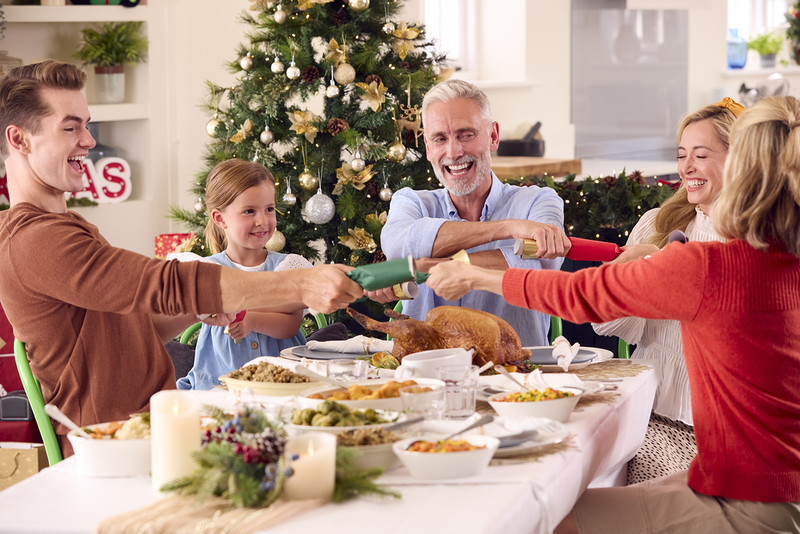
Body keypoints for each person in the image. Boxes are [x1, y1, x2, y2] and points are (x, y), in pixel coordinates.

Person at [426, 95, 800, 533]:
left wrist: (473, 277)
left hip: (746, 503)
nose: (688, 169)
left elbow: (581, 295)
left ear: (740, 174)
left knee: (542, 521)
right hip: (758, 485)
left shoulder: (711, 267)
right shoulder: (781, 258)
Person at [0, 60, 362, 455]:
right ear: (19, 140)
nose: (88, 140)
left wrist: (199, 311)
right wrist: (300, 283)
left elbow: (131, 330)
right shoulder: (34, 239)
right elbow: (162, 284)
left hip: (155, 426)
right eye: (70, 128)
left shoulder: (65, 226)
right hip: (119, 447)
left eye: (86, 125)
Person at [592, 98, 742, 484]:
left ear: (739, 159)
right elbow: (605, 326)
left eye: (700, 155)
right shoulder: (658, 225)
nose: (686, 168)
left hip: (733, 432)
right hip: (654, 413)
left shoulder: (760, 244)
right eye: (681, 155)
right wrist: (630, 271)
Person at [374, 79, 570, 346]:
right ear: (428, 147)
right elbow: (400, 248)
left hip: (519, 377)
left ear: (492, 136)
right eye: (440, 138)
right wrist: (507, 229)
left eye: (466, 135)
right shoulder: (411, 203)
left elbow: (536, 262)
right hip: (425, 376)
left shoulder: (538, 201)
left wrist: (423, 267)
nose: (454, 152)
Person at [177, 159, 310, 390]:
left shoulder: (287, 268)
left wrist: (251, 319)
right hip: (220, 386)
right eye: (249, 211)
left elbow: (291, 325)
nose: (262, 221)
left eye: (269, 209)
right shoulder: (205, 272)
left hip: (281, 387)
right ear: (220, 219)